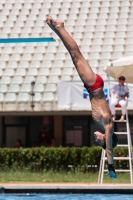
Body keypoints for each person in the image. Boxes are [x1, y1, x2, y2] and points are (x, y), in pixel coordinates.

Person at [46, 16, 118, 178]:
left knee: (75, 56)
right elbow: (110, 149)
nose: (97, 139)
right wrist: (111, 167)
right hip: (94, 85)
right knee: (75, 54)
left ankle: (57, 29)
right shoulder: (108, 127)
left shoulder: (105, 125)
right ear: (106, 139)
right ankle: (60, 27)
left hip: (93, 86)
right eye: (100, 141)